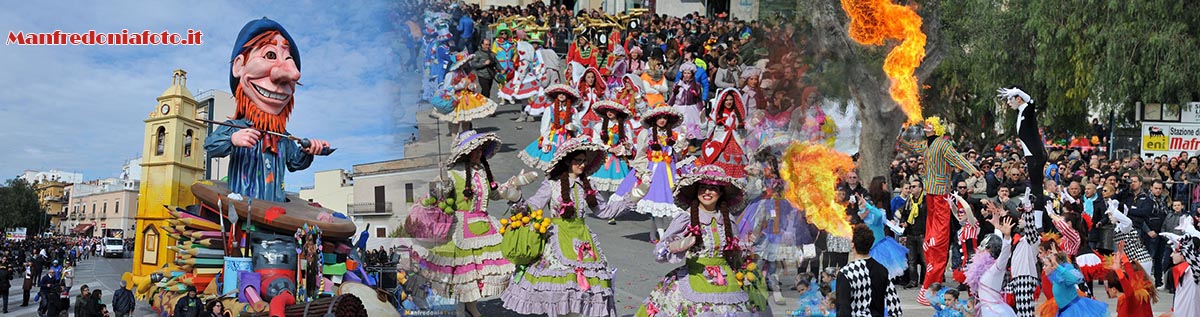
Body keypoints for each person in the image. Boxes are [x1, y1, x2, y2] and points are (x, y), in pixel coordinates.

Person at [204, 18, 331, 203]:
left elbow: (295, 163)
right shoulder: (234, 127)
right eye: (270, 55)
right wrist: (233, 139)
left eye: (289, 59)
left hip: (275, 213)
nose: (293, 74)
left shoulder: (283, 137)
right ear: (239, 66)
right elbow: (210, 146)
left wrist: (308, 150)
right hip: (243, 213)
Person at [500, 138, 619, 316]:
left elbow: (604, 212)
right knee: (560, 291)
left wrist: (631, 198)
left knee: (583, 292)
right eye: (578, 160)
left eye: (584, 160)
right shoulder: (552, 185)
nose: (582, 164)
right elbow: (531, 208)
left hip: (583, 242)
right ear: (567, 161)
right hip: (557, 241)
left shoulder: (589, 185)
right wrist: (516, 197)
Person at [408, 130, 519, 317]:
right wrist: (440, 182)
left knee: (479, 273)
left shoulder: (482, 171)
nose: (479, 154)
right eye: (475, 151)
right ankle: (461, 308)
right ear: (466, 153)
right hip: (460, 229)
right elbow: (436, 196)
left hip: (485, 226)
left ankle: (471, 306)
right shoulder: (453, 173)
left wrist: (512, 187)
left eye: (481, 150)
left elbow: (493, 194)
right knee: (461, 273)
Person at [634, 165, 770, 316]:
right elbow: (660, 251)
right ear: (696, 191)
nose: (707, 192)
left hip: (726, 279)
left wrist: (746, 251)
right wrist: (677, 245)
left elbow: (736, 248)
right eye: (703, 187)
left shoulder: (727, 218)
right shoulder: (686, 218)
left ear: (721, 193)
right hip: (694, 276)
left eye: (713, 189)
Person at [896, 116, 982, 305]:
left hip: (940, 193)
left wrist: (972, 170)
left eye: (928, 127)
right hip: (933, 194)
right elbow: (912, 147)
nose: (925, 130)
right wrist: (901, 137)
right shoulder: (927, 145)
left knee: (939, 233)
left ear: (935, 129)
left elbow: (957, 158)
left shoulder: (943, 144)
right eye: (925, 127)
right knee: (936, 232)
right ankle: (932, 244)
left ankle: (932, 256)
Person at [834, 224, 902, 317]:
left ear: (853, 245)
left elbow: (843, 310)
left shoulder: (846, 273)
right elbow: (895, 307)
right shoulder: (882, 270)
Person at [998, 87, 1048, 208]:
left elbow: (1031, 102)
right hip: (1031, 155)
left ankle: (1039, 225)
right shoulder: (1020, 112)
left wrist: (1018, 91)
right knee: (1035, 189)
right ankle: (1037, 221)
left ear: (1019, 99)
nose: (1009, 103)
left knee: (1037, 189)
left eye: (1011, 99)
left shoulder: (1027, 109)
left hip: (1035, 155)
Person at [519, 84, 581, 170]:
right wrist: (545, 140)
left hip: (568, 138)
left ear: (568, 96)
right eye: (559, 93)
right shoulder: (550, 109)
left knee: (567, 163)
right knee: (552, 164)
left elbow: (578, 125)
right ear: (556, 95)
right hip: (553, 138)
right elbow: (544, 126)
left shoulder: (572, 110)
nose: (562, 96)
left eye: (564, 94)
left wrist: (573, 127)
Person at [699, 88, 748, 178]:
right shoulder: (716, 114)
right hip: (719, 144)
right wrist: (702, 122)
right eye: (726, 100)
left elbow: (743, 132)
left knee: (737, 165)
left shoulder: (737, 114)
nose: (729, 102)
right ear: (722, 100)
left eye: (731, 100)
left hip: (736, 144)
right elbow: (707, 132)